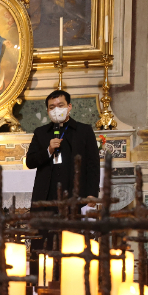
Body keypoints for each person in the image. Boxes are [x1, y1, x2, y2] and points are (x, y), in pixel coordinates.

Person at [26, 90, 100, 270]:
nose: (56, 110)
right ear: (47, 110)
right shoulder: (41, 133)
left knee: (72, 243)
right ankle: (40, 285)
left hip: (75, 197)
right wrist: (48, 151)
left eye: (60, 106)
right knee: (43, 243)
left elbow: (92, 165)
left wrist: (91, 194)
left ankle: (71, 282)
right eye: (52, 107)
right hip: (46, 198)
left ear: (69, 107)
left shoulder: (84, 131)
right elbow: (30, 161)